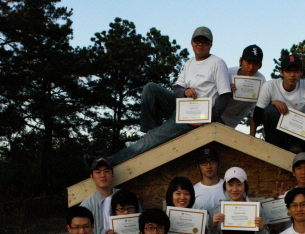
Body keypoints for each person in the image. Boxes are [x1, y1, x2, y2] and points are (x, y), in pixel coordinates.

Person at [93, 26, 231, 167]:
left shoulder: (217, 63)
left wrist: (208, 118)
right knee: (150, 88)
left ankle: (108, 161)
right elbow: (177, 88)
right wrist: (185, 91)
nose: (200, 44)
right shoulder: (189, 63)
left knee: (154, 136)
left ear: (210, 45)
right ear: (191, 42)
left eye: (205, 42)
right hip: (183, 108)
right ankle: (149, 137)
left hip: (196, 117)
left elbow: (225, 94)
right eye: (197, 41)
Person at [254, 54, 305, 155]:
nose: (292, 75)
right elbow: (257, 117)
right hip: (278, 135)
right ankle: (274, 149)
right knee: (270, 110)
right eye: (288, 71)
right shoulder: (269, 86)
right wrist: (271, 103)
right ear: (281, 72)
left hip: (299, 133)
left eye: (296, 71)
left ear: (301, 72)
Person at [221, 45, 266, 136]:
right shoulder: (227, 73)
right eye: (248, 62)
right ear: (241, 61)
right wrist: (225, 90)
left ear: (260, 66)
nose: (251, 67)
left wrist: (252, 136)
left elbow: (255, 110)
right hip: (216, 116)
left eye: (255, 64)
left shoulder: (261, 80)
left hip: (233, 121)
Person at [80, 157, 119, 234]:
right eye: (98, 172)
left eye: (106, 171)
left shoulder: (126, 197)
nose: (103, 175)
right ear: (92, 176)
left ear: (112, 174)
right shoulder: (86, 206)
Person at [192, 146, 226, 211]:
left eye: (212, 161)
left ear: (218, 164)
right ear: (198, 166)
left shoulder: (228, 187)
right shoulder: (194, 191)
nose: (208, 166)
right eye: (204, 163)